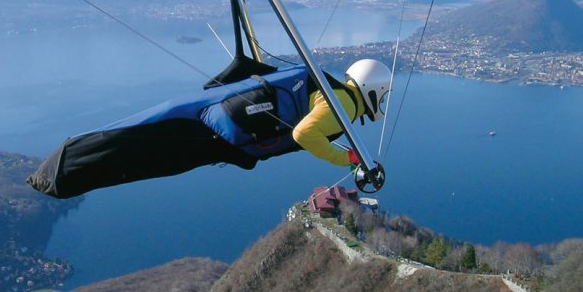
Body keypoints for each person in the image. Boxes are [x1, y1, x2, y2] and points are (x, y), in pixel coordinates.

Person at [27, 58, 391, 199]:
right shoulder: (342, 105)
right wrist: (346, 159)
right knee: (147, 154)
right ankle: (64, 172)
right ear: (372, 90)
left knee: (148, 134)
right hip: (217, 135)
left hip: (211, 112)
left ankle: (65, 165)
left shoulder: (330, 88)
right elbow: (303, 134)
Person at [292, 58, 392, 167]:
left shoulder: (341, 93)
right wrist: (343, 159)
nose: (382, 100)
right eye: (382, 94)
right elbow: (303, 133)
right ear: (373, 89)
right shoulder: (346, 106)